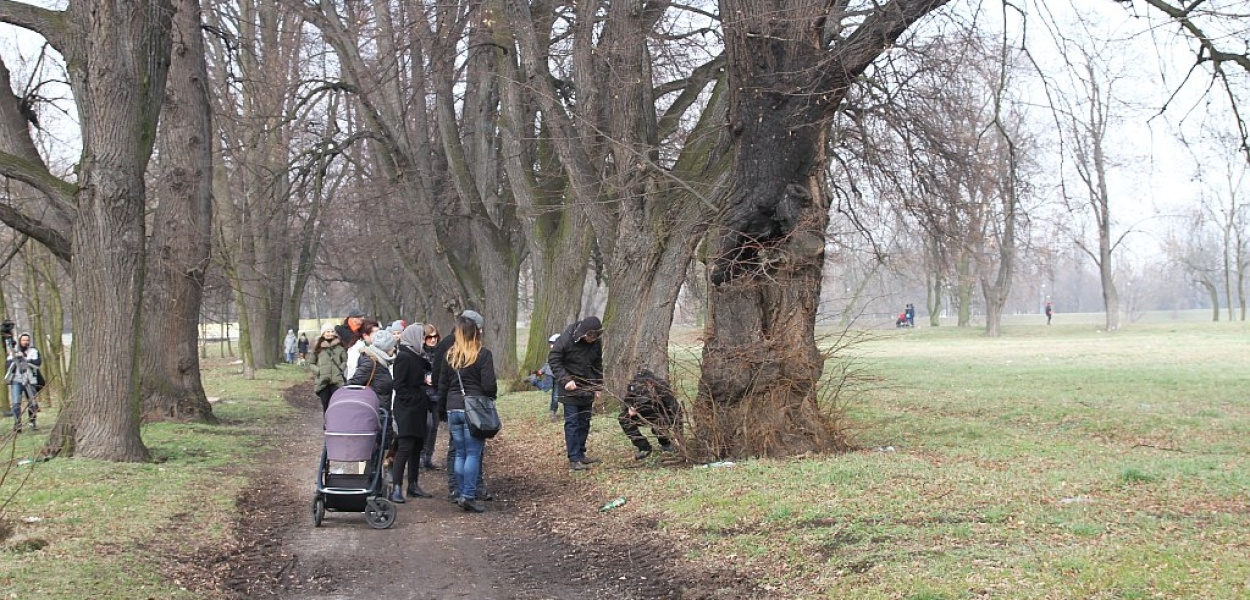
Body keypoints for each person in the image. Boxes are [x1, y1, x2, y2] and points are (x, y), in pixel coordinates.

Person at [437, 315, 496, 513]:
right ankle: (469, 495)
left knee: (460, 453)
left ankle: (461, 491)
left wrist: (441, 411)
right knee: (473, 453)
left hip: (453, 407)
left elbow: (442, 385)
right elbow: (489, 385)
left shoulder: (450, 355)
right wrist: (490, 396)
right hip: (474, 409)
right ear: (475, 333)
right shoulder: (483, 354)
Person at [549, 316, 604, 470]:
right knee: (572, 423)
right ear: (583, 333)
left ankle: (581, 454)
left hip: (587, 386)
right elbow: (554, 359)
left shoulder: (596, 343)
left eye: (595, 337)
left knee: (584, 422)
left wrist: (598, 385)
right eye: (590, 336)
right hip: (569, 387)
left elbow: (597, 363)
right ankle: (573, 458)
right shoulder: (566, 338)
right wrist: (566, 380)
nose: (592, 340)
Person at [390, 324, 434, 502]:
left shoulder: (418, 356)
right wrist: (413, 398)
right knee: (405, 446)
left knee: (417, 446)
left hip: (418, 406)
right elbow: (399, 385)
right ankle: (397, 487)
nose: (424, 341)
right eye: (422, 337)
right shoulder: (404, 357)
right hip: (407, 408)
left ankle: (413, 484)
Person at [619, 368, 680, 460]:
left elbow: (676, 410)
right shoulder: (634, 386)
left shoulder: (662, 387)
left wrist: (679, 436)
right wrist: (629, 408)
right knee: (624, 418)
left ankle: (666, 444)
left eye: (646, 383)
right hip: (642, 412)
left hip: (661, 414)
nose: (643, 385)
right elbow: (627, 401)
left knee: (659, 423)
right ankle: (644, 447)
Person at [347, 322, 394, 402]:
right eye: (392, 346)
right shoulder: (370, 362)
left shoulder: (382, 361)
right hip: (373, 410)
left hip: (381, 409)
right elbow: (353, 384)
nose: (394, 349)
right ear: (386, 348)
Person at [5, 332, 42, 433]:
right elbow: (8, 365)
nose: (25, 342)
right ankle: (18, 424)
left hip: (30, 380)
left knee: (32, 402)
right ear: (20, 341)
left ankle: (32, 422)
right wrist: (15, 357)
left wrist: (25, 359)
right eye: (23, 340)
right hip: (17, 380)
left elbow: (37, 364)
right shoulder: (13, 351)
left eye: (27, 340)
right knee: (16, 403)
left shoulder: (34, 351)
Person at [419, 323, 442, 470]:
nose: (433, 340)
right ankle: (420, 456)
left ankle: (428, 456)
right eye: (429, 337)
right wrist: (424, 378)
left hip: (436, 393)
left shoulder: (440, 352)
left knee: (434, 425)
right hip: (423, 393)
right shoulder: (420, 353)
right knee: (425, 425)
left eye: (435, 337)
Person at [310, 323, 347, 413]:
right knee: (326, 406)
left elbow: (345, 360)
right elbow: (311, 363)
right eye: (327, 331)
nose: (330, 333)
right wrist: (319, 371)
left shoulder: (340, 347)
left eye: (331, 331)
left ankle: (336, 424)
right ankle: (326, 424)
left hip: (336, 381)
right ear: (323, 333)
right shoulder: (317, 347)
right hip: (323, 381)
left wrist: (340, 369)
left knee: (336, 405)